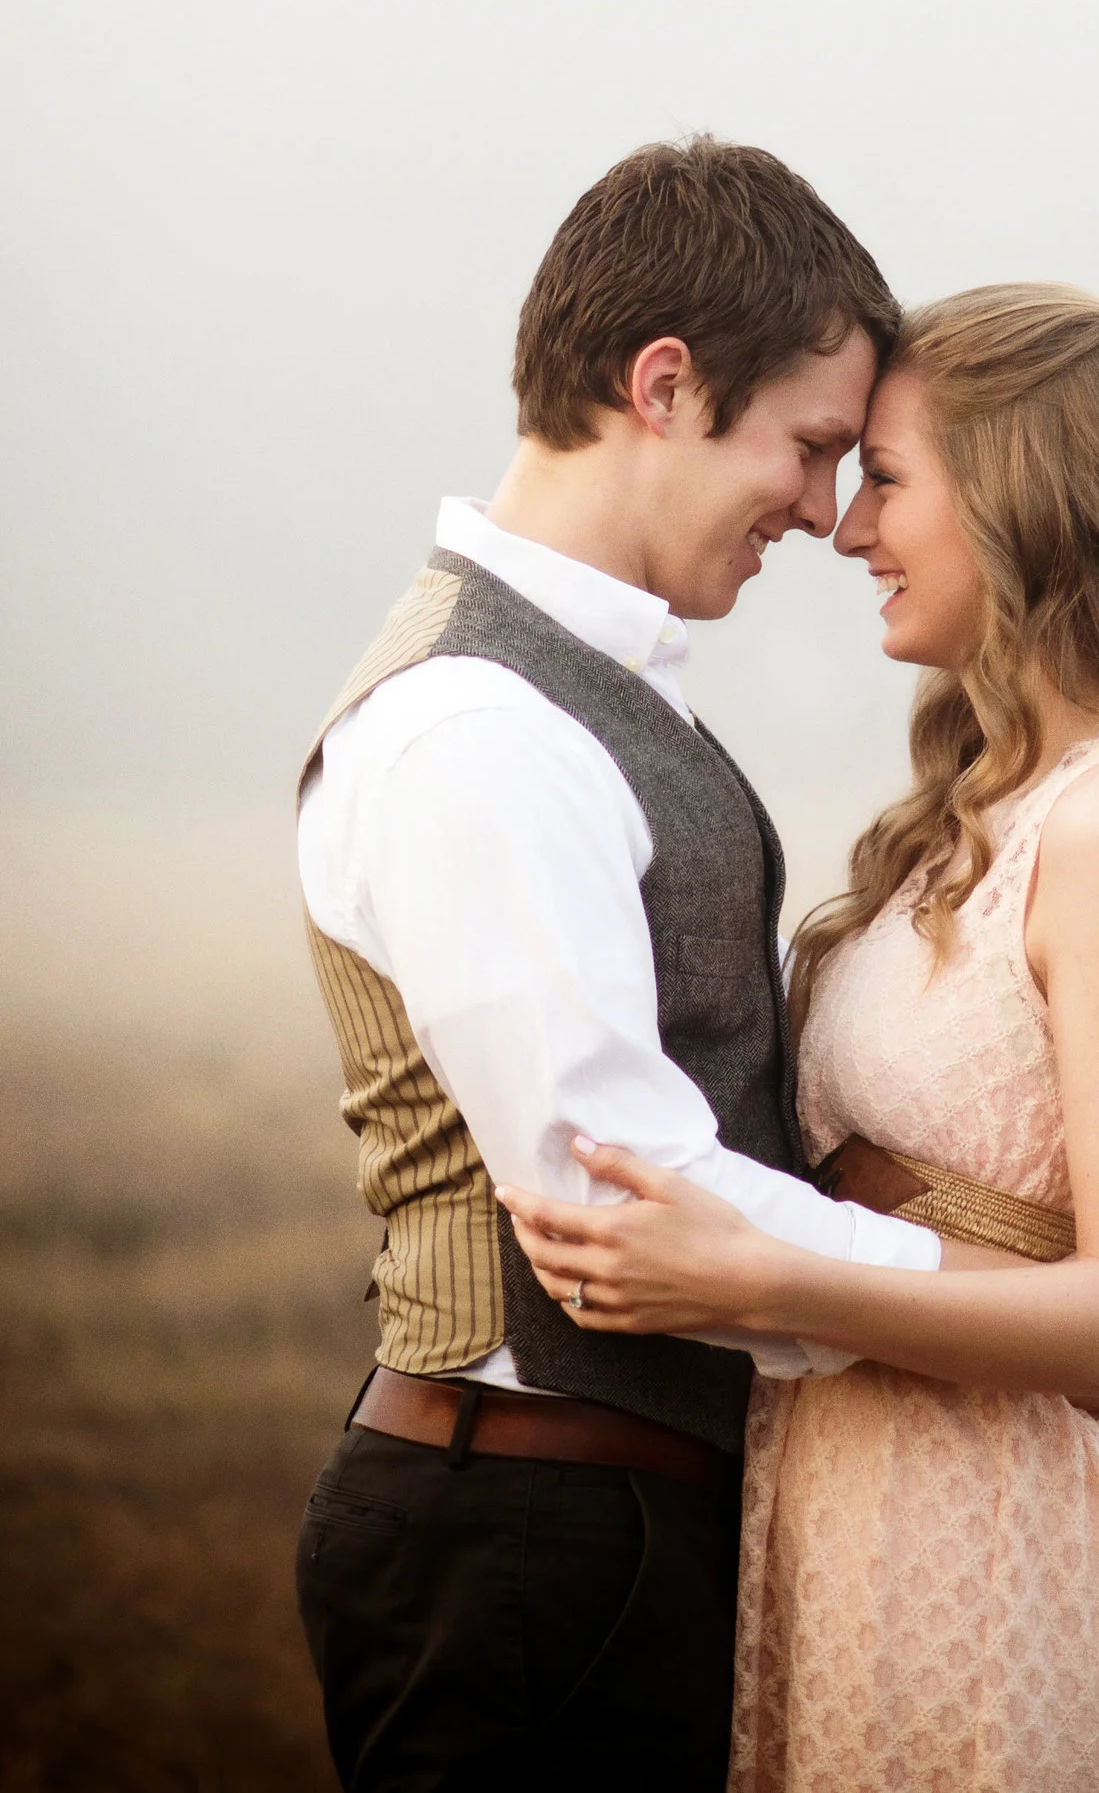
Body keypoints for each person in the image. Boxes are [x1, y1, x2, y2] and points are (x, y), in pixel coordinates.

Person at [502, 284, 1099, 1793]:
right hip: (827, 1513)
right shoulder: (967, 818)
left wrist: (760, 1274)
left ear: (1022, 494)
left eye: (886, 477)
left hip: (979, 1556)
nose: (847, 528)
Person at [294, 137, 968, 1793]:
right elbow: (619, 1191)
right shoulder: (475, 726)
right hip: (528, 1536)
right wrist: (1008, 1318)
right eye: (811, 448)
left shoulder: (584, 695)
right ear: (663, 385)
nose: (824, 515)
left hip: (591, 1523)